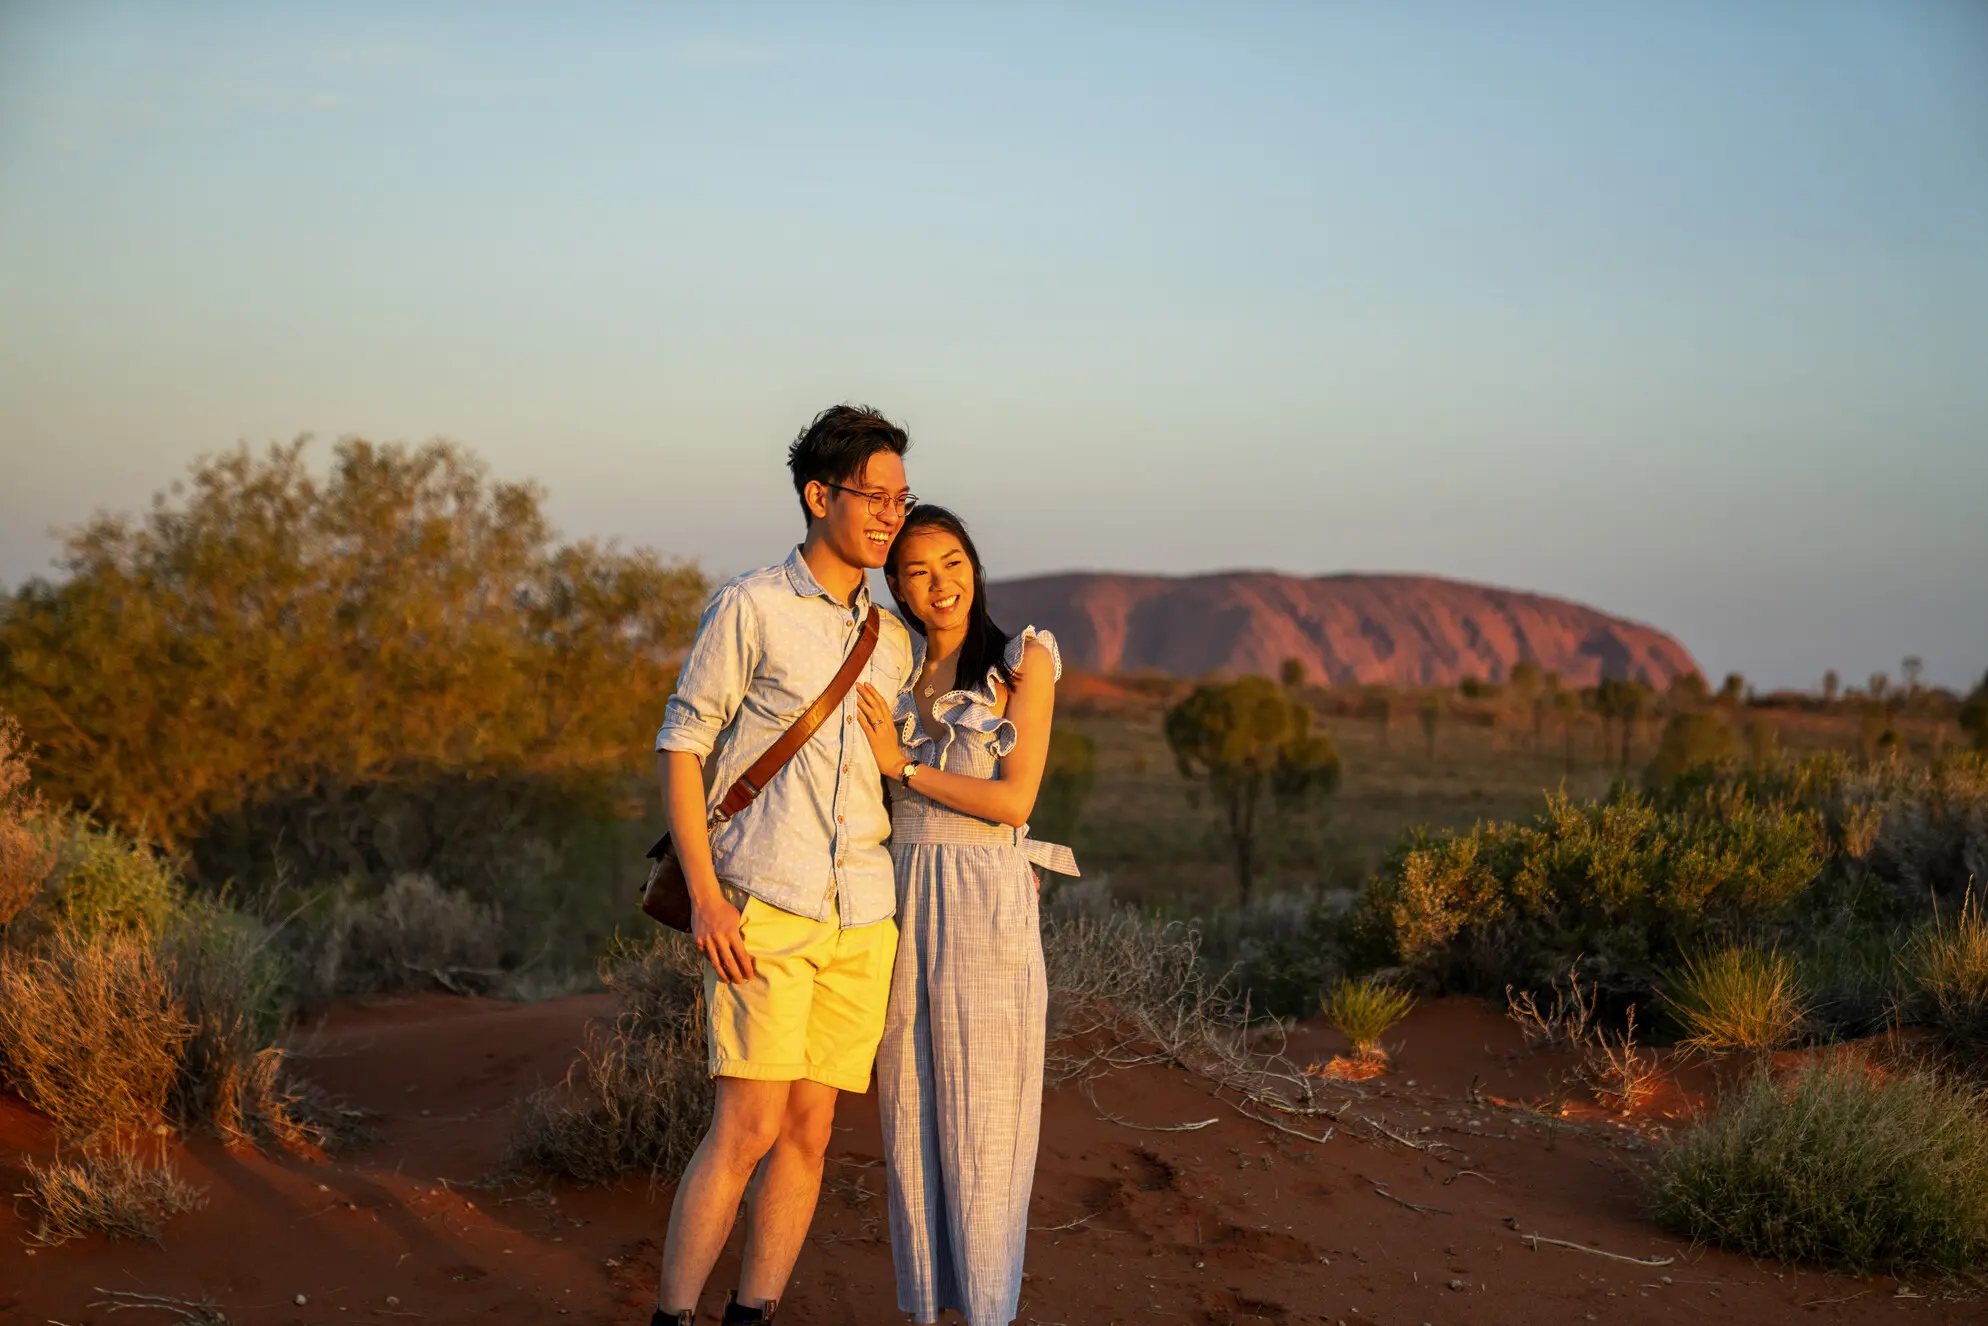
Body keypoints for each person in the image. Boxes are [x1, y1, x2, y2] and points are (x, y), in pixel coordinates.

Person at [650, 405, 918, 1326]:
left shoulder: (893, 640)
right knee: (747, 1129)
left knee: (809, 1134)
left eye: (901, 498)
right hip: (765, 906)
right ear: (819, 495)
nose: (890, 515)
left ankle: (752, 1314)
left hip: (862, 918)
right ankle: (672, 1316)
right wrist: (709, 901)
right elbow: (682, 748)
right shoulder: (752, 605)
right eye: (874, 496)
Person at [852, 504, 1078, 1326]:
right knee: (909, 1116)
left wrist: (904, 768)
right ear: (898, 589)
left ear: (974, 566)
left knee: (985, 1118)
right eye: (917, 571)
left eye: (951, 563)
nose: (939, 584)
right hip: (899, 894)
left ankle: (986, 1312)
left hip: (983, 898)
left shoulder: (1022, 663)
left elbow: (1015, 797)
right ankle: (926, 1310)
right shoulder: (893, 677)